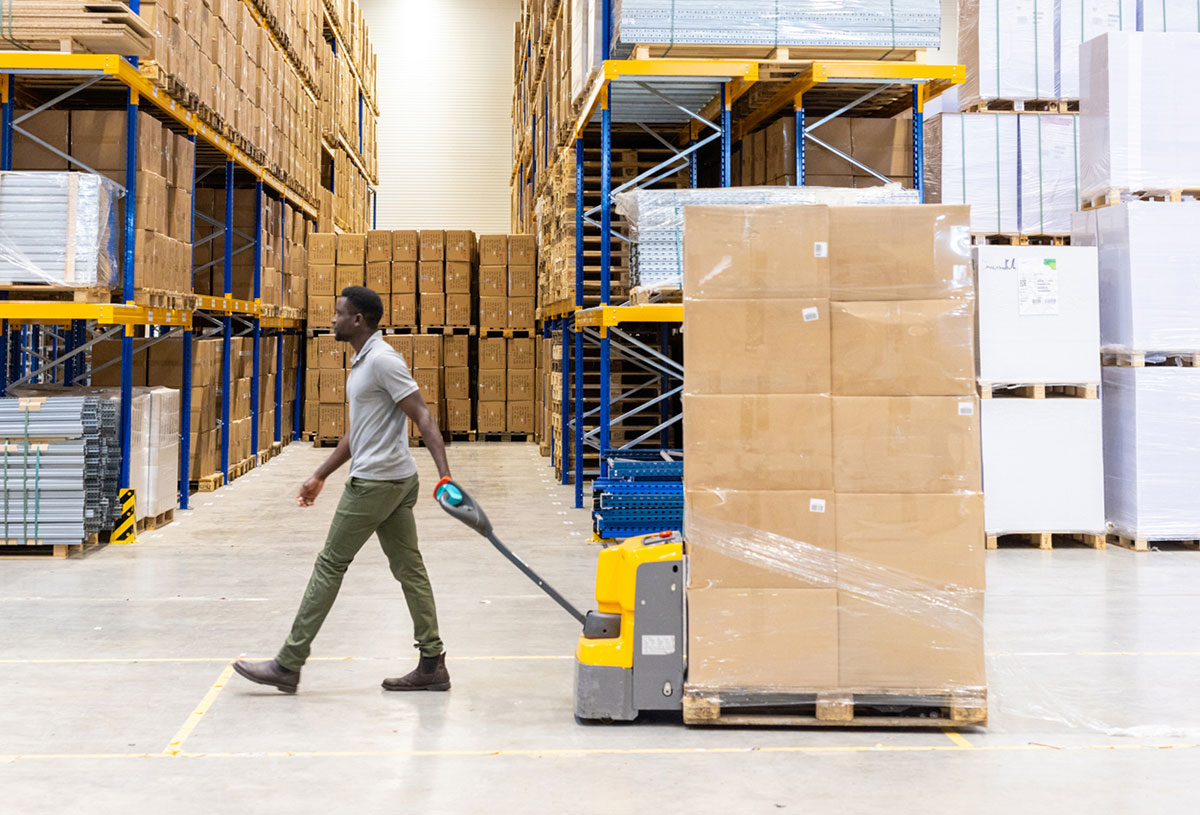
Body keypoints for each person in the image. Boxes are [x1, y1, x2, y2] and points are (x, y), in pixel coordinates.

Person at [233, 286, 453, 695]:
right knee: (409, 569)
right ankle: (431, 663)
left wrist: (445, 476)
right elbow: (358, 433)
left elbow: (422, 414)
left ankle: (288, 663)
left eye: (338, 313)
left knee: (330, 565)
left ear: (358, 320)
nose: (332, 319)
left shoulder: (383, 360)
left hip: (375, 483)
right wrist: (320, 475)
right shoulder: (363, 362)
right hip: (394, 479)